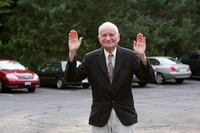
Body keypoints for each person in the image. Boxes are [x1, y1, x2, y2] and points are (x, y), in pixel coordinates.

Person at [65, 22, 155, 133]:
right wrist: (72, 52)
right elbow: (71, 78)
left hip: (124, 115)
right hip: (100, 115)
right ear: (99, 38)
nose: (108, 38)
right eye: (104, 35)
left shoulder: (130, 56)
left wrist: (142, 56)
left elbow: (148, 78)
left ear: (118, 37)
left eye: (111, 35)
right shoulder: (91, 58)